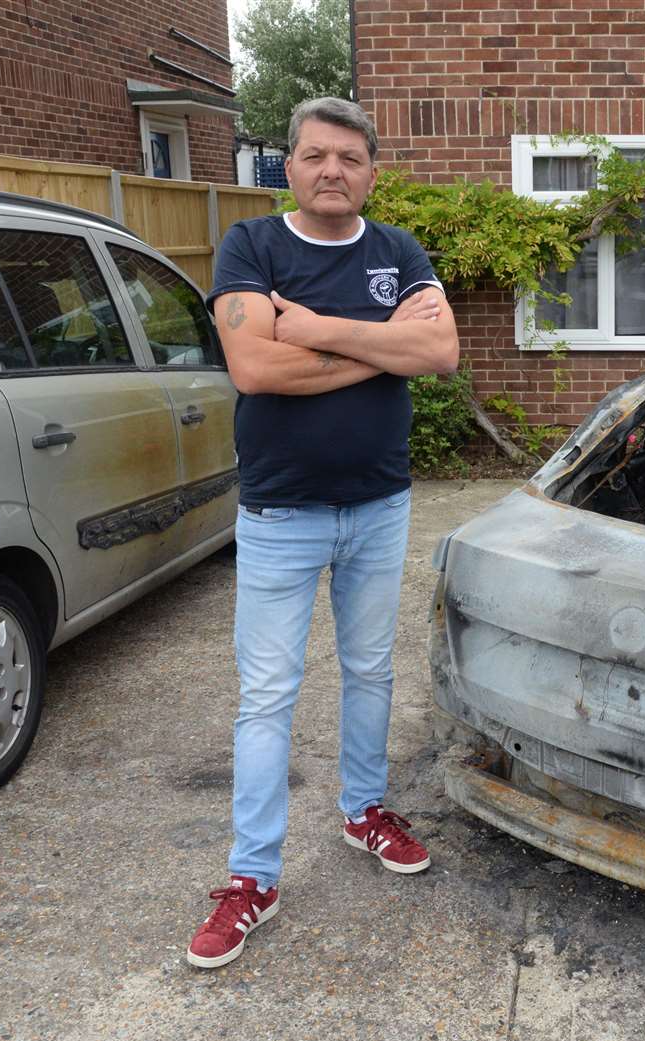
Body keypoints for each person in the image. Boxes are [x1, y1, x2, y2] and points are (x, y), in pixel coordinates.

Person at [184, 97, 459, 969]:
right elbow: (255, 367)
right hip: (280, 515)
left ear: (371, 170)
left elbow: (441, 353)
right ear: (290, 168)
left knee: (371, 670)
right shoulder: (251, 248)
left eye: (348, 157)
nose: (331, 169)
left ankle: (363, 811)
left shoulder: (397, 252)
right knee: (267, 696)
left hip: (379, 506)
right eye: (314, 156)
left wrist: (319, 329)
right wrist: (382, 347)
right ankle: (252, 877)